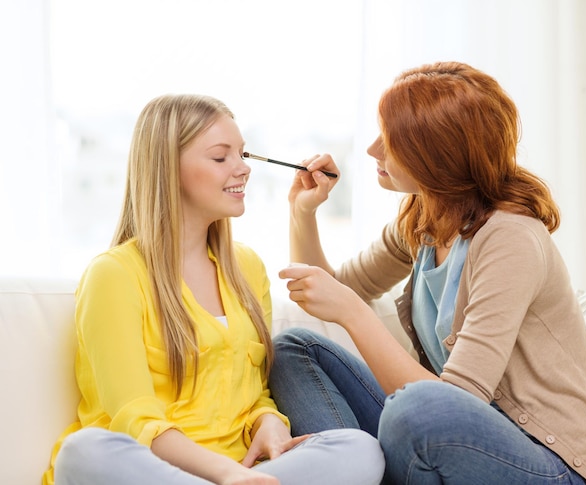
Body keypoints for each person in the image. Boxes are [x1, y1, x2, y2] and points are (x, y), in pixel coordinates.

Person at [269, 62, 586, 484]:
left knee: (413, 410)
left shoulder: (511, 239)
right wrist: (302, 213)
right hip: (452, 432)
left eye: (391, 141)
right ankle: (348, 468)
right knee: (293, 349)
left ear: (438, 156)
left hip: (551, 463)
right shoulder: (423, 219)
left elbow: (454, 399)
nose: (373, 150)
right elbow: (334, 290)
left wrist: (354, 313)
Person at [43, 94, 384, 485]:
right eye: (221, 158)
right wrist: (225, 475)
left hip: (246, 472)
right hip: (158, 471)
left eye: (242, 154)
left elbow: (253, 393)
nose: (242, 169)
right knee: (83, 452)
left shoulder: (247, 269)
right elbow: (134, 419)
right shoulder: (113, 275)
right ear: (167, 169)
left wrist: (269, 421)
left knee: (359, 449)